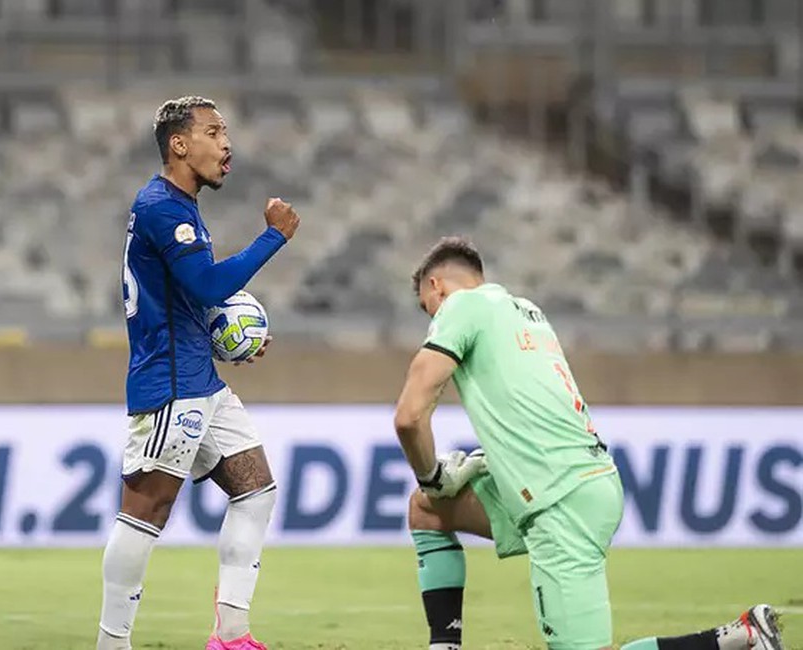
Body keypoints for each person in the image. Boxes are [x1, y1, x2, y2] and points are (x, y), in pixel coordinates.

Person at [392, 237, 783, 650]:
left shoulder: (462, 307)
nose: (431, 318)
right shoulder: (526, 313)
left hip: (559, 500)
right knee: (428, 509)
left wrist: (432, 474)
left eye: (427, 307)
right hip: (575, 481)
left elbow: (408, 417)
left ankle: (743, 638)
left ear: (437, 286)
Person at [97, 96, 300, 650]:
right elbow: (209, 285)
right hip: (170, 385)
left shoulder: (179, 206)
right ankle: (111, 644)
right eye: (214, 131)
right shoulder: (162, 207)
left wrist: (230, 337)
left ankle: (231, 636)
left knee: (256, 489)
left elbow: (190, 297)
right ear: (179, 144)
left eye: (226, 131)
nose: (227, 143)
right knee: (145, 511)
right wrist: (274, 236)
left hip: (200, 380)